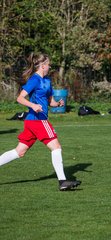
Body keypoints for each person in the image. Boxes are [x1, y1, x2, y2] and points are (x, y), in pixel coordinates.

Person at [0, 53, 81, 191]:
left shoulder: (47, 80)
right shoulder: (34, 80)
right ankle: (62, 181)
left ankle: (62, 181)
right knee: (56, 146)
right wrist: (33, 106)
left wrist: (57, 104)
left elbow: (50, 100)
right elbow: (20, 98)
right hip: (38, 121)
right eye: (48, 64)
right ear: (43, 66)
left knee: (19, 151)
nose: (50, 66)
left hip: (32, 123)